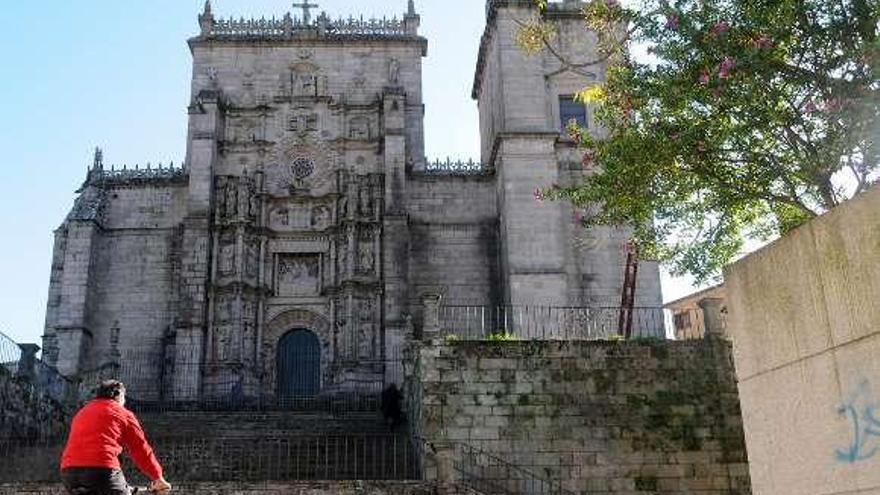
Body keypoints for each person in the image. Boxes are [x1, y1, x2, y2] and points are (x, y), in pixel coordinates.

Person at [60, 380, 172, 494]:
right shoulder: (123, 413)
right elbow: (140, 449)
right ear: (118, 395)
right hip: (102, 470)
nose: (124, 402)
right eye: (124, 398)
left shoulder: (81, 412)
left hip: (69, 473)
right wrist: (158, 478)